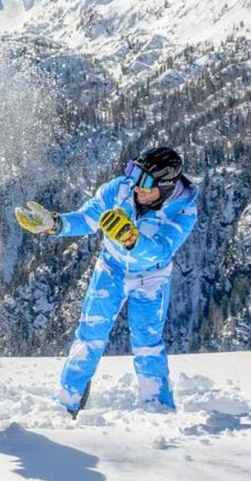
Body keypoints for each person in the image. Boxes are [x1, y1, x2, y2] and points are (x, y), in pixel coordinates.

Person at [15, 146, 199, 416]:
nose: (136, 185)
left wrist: (131, 239)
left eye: (146, 181)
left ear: (167, 186)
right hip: (111, 269)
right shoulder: (120, 189)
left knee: (148, 344)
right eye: (134, 173)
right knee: (89, 337)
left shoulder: (183, 212)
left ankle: (157, 407)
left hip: (152, 278)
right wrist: (54, 224)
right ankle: (68, 401)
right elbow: (88, 218)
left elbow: (162, 249)